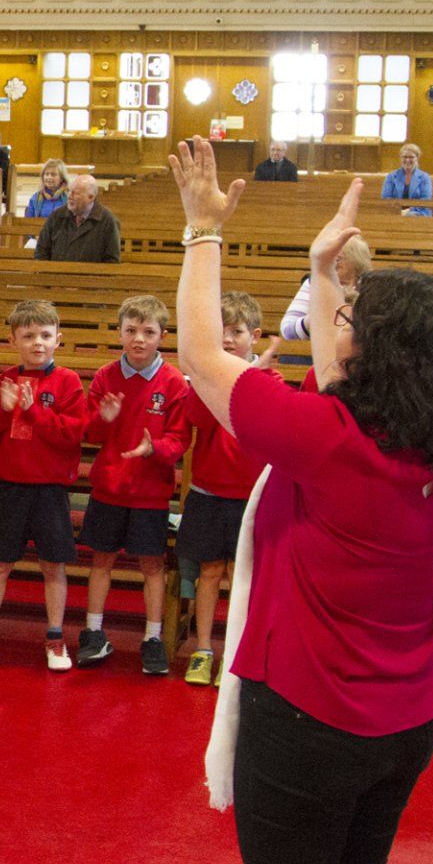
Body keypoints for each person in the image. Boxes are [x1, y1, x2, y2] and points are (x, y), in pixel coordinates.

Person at [175, 139, 433, 864]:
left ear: (374, 352)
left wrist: (202, 233)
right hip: (402, 720)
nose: (333, 326)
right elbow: (337, 392)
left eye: (347, 317)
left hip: (310, 716)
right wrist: (321, 270)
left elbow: (200, 354)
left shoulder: (326, 439)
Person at [76, 294, 188, 674]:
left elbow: (179, 441)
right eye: (131, 330)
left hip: (151, 493)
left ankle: (153, 637)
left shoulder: (172, 381)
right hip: (109, 488)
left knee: (152, 565)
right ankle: (93, 632)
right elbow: (89, 431)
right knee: (101, 560)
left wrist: (152, 448)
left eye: (148, 331)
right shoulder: (106, 376)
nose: (139, 338)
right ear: (120, 333)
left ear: (163, 335)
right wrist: (105, 419)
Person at [0, 299, 86, 671]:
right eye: (29, 335)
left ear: (58, 339)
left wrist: (34, 410)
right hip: (9, 487)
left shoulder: (67, 382)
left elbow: (71, 436)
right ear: (13, 340)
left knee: (53, 565)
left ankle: (55, 638)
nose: (38, 342)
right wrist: (5, 411)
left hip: (49, 489)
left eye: (45, 335)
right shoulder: (4, 380)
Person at [179, 292, 274, 687]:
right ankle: (203, 650)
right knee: (209, 571)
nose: (229, 340)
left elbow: (264, 429)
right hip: (207, 490)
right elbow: (196, 418)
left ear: (254, 335)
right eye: (222, 332)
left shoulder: (270, 380)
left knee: (243, 575)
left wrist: (244, 381)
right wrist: (207, 378)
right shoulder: (205, 376)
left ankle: (237, 653)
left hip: (252, 497)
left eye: (236, 332)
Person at [279, 236, 371, 341]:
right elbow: (287, 332)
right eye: (328, 259)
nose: (332, 265)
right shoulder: (315, 283)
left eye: (337, 259)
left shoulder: (371, 287)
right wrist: (316, 316)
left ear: (356, 260)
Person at [32, 173, 120, 263]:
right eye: (69, 191)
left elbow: (111, 261)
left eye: (76, 193)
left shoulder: (107, 221)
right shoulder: (57, 216)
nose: (70, 196)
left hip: (91, 276)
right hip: (56, 275)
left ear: (90, 197)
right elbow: (41, 251)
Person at [381, 143, 432, 214]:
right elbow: (386, 198)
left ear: (417, 158)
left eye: (411, 157)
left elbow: (425, 200)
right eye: (404, 157)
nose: (407, 160)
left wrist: (408, 211)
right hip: (395, 212)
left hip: (419, 212)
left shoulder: (424, 177)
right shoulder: (391, 176)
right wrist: (398, 211)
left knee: (411, 215)